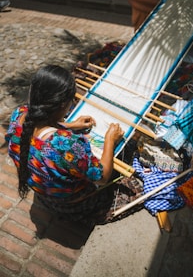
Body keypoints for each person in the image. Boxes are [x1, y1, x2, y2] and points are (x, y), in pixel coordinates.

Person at [5, 64, 134, 225]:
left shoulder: (20, 115)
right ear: (62, 105)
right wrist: (110, 140)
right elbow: (102, 177)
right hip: (72, 204)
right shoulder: (66, 145)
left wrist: (72, 125)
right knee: (130, 155)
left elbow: (38, 134)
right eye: (71, 100)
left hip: (46, 196)